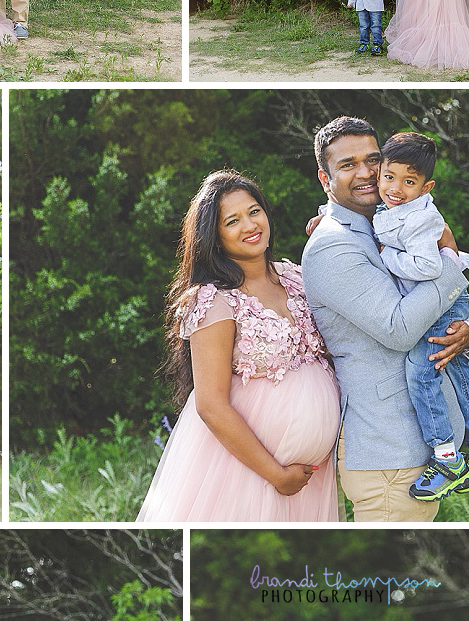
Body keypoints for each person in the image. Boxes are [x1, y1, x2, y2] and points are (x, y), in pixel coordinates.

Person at [136, 170, 341, 524]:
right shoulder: (213, 300)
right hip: (246, 473)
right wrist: (276, 474)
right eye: (232, 221)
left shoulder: (296, 277)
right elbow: (210, 405)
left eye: (254, 211)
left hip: (311, 479)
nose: (249, 225)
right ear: (214, 238)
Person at [302, 115, 469, 523]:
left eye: (372, 160)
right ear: (324, 178)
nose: (365, 173)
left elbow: (448, 303)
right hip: (387, 454)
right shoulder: (332, 246)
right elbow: (400, 328)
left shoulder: (391, 220)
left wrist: (467, 331)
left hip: (413, 449)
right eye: (347, 165)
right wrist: (453, 260)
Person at [371, 132, 469, 500]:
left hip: (440, 301)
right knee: (459, 371)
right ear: (380, 173)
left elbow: (428, 267)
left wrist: (384, 254)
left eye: (409, 182)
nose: (395, 188)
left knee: (421, 370)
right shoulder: (392, 206)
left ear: (426, 186)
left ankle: (446, 456)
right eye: (389, 177)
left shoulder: (422, 219)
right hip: (443, 302)